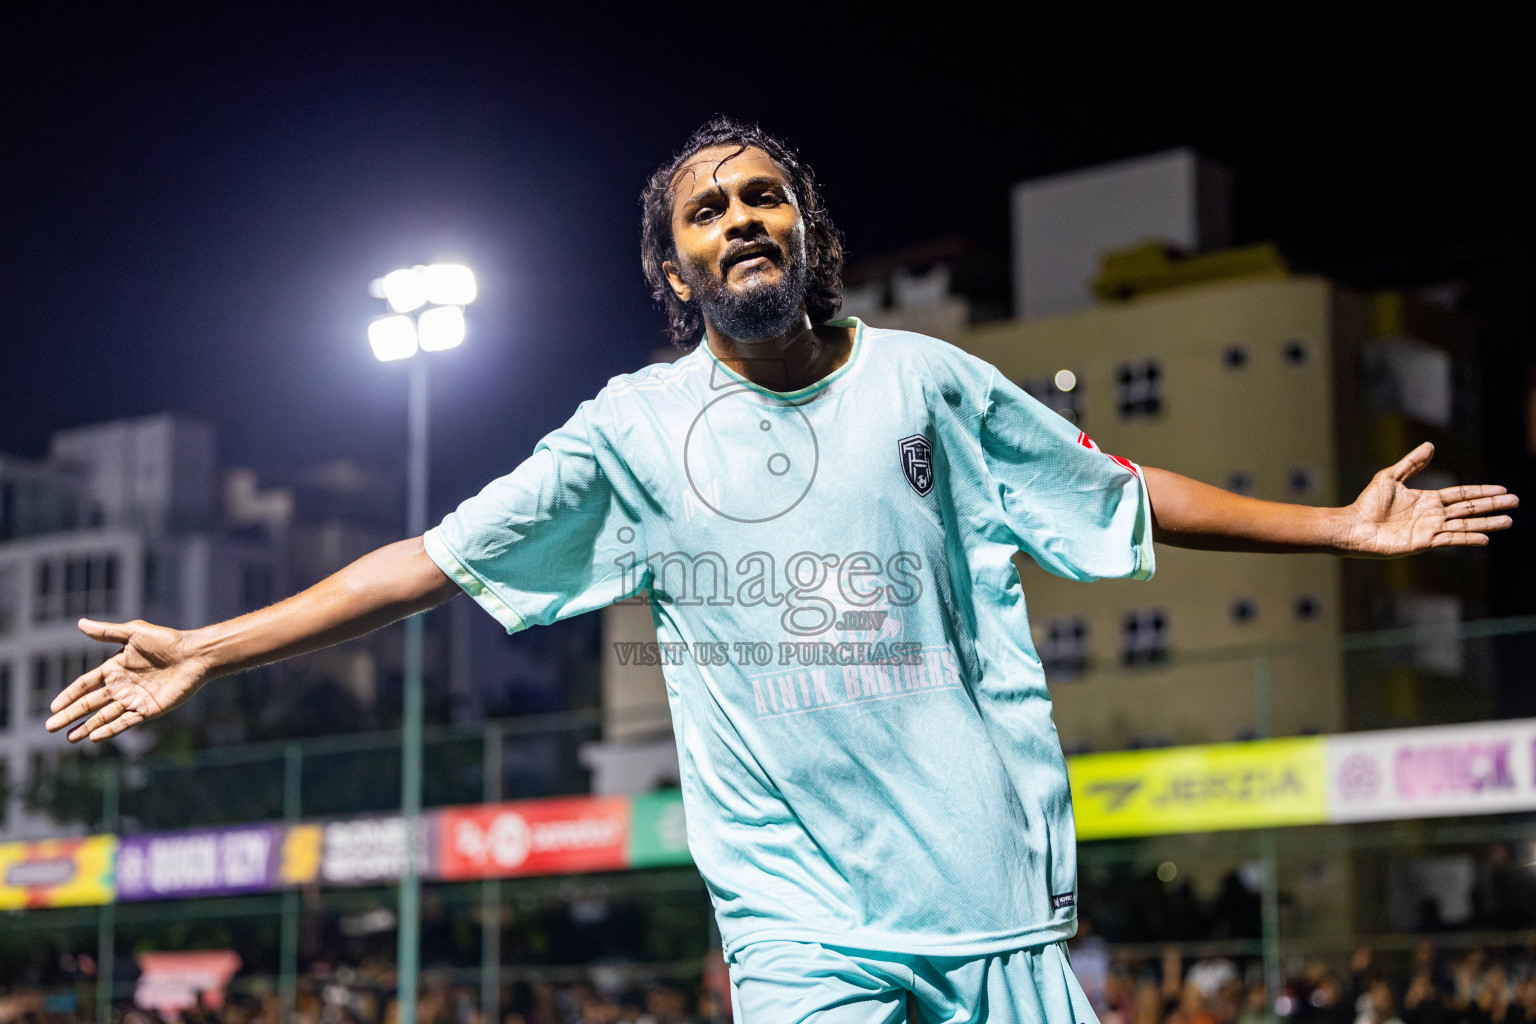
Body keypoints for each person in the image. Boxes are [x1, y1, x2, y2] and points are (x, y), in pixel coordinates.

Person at [45, 117, 1518, 1023]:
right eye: (708, 209)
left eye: (764, 198)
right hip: (796, 921)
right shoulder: (630, 431)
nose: (742, 218)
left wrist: (1341, 528)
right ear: (672, 268)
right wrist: (214, 648)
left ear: (804, 232)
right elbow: (426, 564)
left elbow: (1120, 495)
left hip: (992, 889)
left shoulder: (931, 381)